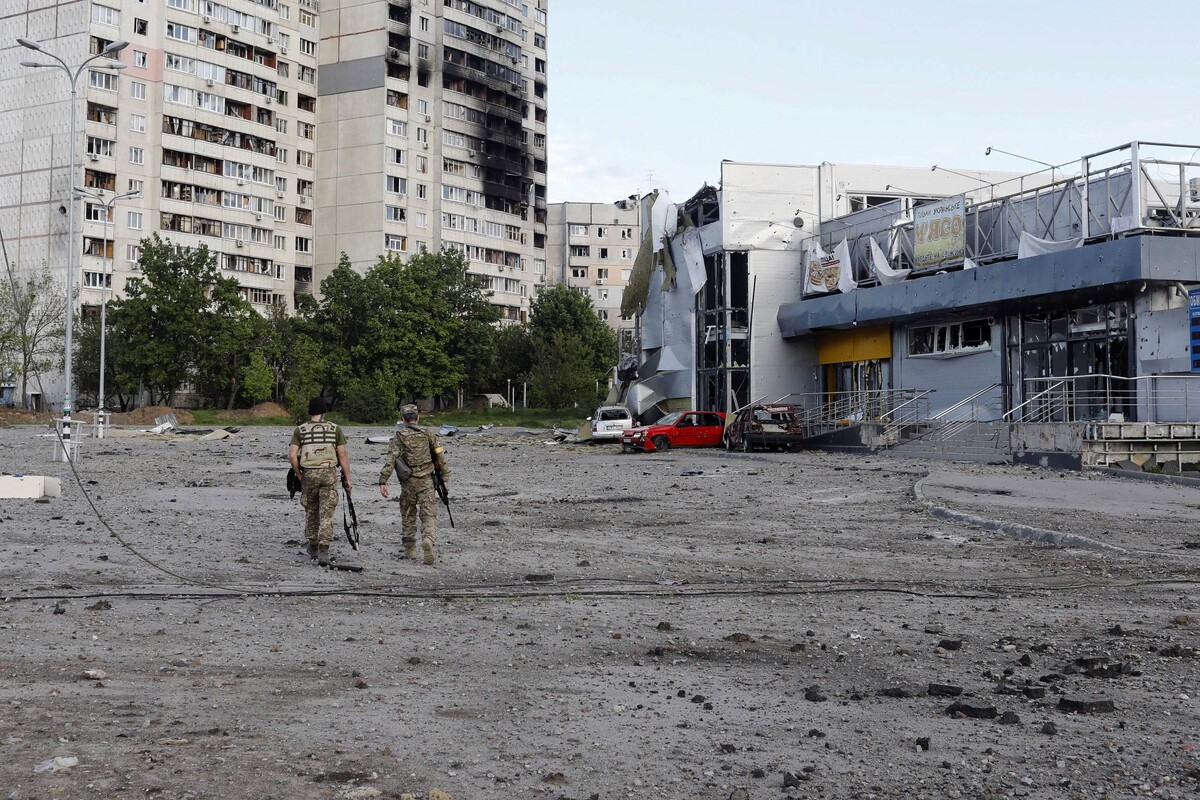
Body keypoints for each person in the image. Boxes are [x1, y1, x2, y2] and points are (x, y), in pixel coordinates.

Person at [378, 404, 450, 565]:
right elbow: (440, 457)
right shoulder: (428, 434)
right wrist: (445, 478)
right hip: (427, 481)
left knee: (408, 515)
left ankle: (410, 549)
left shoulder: (399, 437)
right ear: (417, 418)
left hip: (408, 483)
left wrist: (383, 481)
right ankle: (428, 539)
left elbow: (391, 460)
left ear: (403, 420)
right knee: (428, 514)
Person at [288, 396, 351, 565]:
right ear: (323, 412)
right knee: (327, 511)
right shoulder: (335, 429)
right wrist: (348, 478)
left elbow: (292, 455)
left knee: (311, 510)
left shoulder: (300, 430)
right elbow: (342, 455)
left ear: (310, 412)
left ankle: (313, 545)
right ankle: (324, 548)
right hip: (328, 473)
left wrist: (298, 473)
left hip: (309, 474)